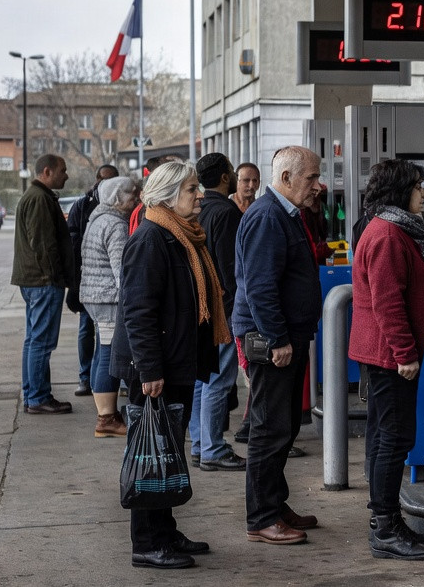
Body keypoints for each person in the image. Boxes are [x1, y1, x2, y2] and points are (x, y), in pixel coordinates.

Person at [112, 160, 230, 569]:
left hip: (173, 364)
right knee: (151, 453)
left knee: (168, 452)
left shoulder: (181, 236)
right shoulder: (151, 239)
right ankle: (147, 541)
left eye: (198, 187)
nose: (200, 195)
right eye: (191, 189)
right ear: (166, 196)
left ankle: (165, 530)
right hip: (156, 369)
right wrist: (150, 372)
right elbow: (138, 312)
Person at [233, 146, 323, 546]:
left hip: (287, 337)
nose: (318, 186)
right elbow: (260, 287)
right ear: (286, 179)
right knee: (270, 428)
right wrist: (278, 340)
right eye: (311, 178)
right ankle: (262, 517)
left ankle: (275, 502)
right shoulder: (268, 216)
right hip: (273, 342)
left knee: (284, 426)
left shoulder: (285, 214)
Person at [349, 159, 424, 561]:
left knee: (391, 436)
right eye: (419, 187)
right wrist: (405, 353)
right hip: (389, 356)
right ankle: (384, 527)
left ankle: (388, 521)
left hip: (388, 354)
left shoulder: (393, 229)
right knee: (393, 439)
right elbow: (388, 302)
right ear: (402, 191)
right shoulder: (387, 234)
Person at [189, 153, 247, 473]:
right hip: (222, 308)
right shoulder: (226, 211)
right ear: (225, 177)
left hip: (203, 305)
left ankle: (201, 443)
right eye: (234, 172)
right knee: (218, 380)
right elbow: (230, 267)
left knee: (204, 377)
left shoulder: (199, 209)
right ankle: (211, 447)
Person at [12, 153, 75, 415]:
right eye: (63, 170)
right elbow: (44, 244)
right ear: (47, 172)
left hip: (35, 279)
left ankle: (33, 394)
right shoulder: (39, 198)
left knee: (34, 340)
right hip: (42, 281)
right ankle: (38, 397)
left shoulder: (37, 196)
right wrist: (54, 277)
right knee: (41, 341)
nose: (66, 175)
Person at [80, 176, 139, 438]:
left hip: (94, 296)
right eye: (132, 195)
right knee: (108, 355)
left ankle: (105, 413)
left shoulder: (97, 218)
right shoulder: (115, 225)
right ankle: (106, 418)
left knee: (99, 353)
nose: (136, 200)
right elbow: (122, 272)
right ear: (117, 198)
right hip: (108, 299)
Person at [68, 163, 119, 397]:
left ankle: (104, 384)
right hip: (90, 282)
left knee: (105, 341)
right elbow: (73, 238)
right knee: (87, 330)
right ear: (97, 180)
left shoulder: (119, 209)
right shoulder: (83, 205)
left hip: (102, 286)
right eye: (104, 180)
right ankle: (85, 377)